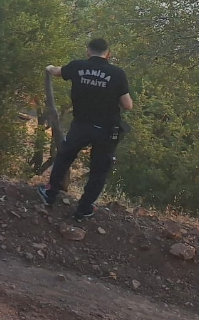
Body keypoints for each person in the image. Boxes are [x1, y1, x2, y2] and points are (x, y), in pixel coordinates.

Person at [38, 38, 134, 221]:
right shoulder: (117, 73)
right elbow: (127, 105)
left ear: (87, 52)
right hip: (107, 129)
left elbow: (57, 71)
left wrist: (49, 67)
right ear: (109, 54)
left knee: (65, 157)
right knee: (99, 170)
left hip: (81, 124)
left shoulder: (77, 66)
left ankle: (50, 194)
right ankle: (83, 209)